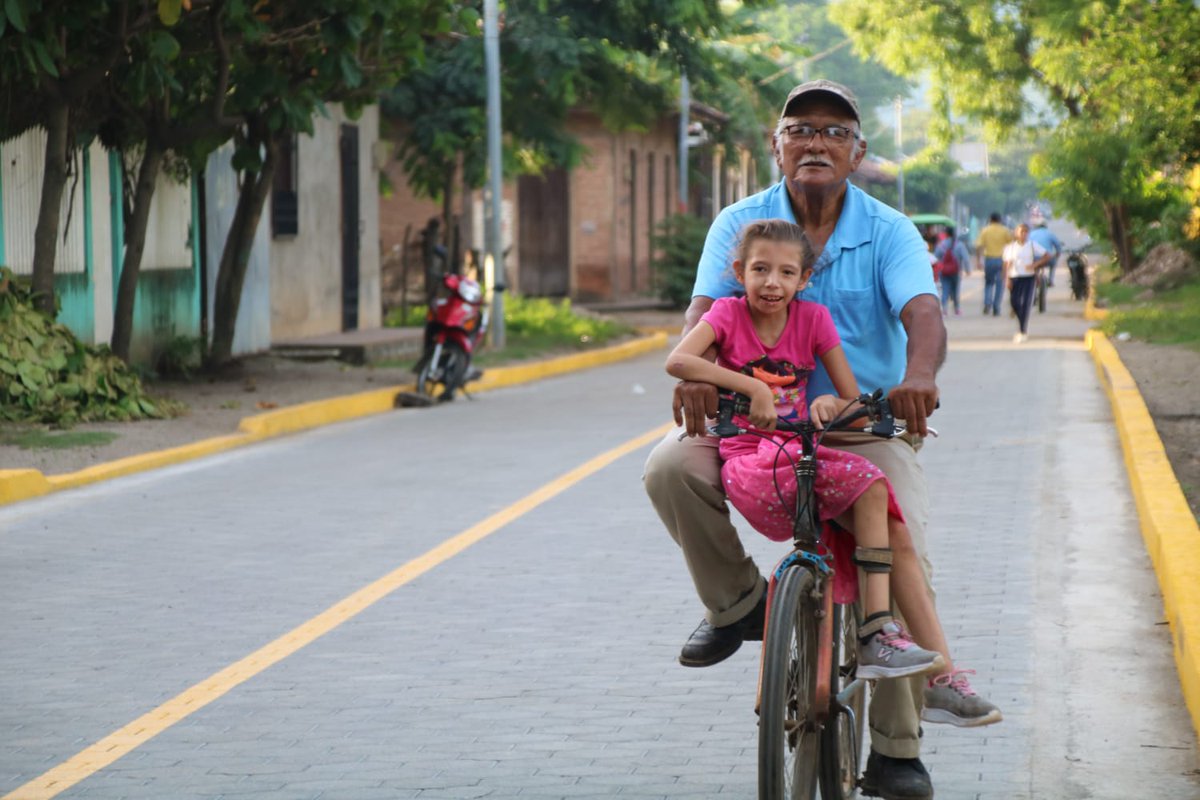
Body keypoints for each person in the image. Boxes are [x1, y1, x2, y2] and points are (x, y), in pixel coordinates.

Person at [642, 79, 1000, 800]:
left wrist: (919, 375)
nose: (816, 141)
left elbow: (923, 312)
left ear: (858, 152)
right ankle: (738, 604)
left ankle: (897, 750)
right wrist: (698, 374)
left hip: (858, 427)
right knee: (668, 464)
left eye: (835, 132)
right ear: (776, 147)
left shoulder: (890, 229)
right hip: (751, 428)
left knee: (899, 550)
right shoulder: (742, 224)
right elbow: (703, 311)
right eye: (799, 128)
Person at [665, 218, 975, 685]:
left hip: (798, 449)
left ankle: (875, 630)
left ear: (805, 280)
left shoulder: (813, 319)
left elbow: (848, 396)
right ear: (739, 271)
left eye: (787, 273)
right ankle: (741, 601)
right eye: (760, 270)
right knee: (677, 470)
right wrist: (752, 387)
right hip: (752, 459)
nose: (773, 283)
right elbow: (679, 360)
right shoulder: (727, 315)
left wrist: (829, 403)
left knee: (873, 488)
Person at [1004, 223, 1051, 343]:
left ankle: (1022, 330)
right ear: (1016, 233)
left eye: (1026, 232)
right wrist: (1007, 279)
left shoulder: (1032, 245)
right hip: (1015, 277)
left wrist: (1034, 265)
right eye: (1021, 232)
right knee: (1015, 302)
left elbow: (1047, 256)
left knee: (1026, 303)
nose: (1023, 234)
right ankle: (1019, 319)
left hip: (1028, 278)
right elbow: (1007, 264)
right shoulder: (1011, 248)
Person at [974, 213, 1012, 316]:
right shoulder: (1005, 230)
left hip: (989, 259)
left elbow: (978, 246)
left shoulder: (985, 230)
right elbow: (1011, 244)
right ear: (1000, 220)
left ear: (990, 219)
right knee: (1000, 284)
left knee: (988, 283)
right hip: (1002, 260)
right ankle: (996, 306)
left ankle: (987, 303)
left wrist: (978, 260)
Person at [932, 226, 970, 316]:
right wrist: (967, 269)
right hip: (956, 272)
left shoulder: (941, 245)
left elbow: (935, 257)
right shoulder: (959, 244)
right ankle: (957, 309)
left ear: (946, 234)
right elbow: (965, 258)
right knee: (956, 291)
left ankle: (944, 309)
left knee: (945, 289)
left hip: (944, 271)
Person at [1028, 218, 1064, 287]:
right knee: (1053, 264)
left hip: (1034, 259)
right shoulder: (1049, 233)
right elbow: (1058, 246)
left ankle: (1034, 279)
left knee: (1034, 267)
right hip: (1047, 259)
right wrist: (1057, 254)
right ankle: (1050, 281)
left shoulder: (1031, 234)